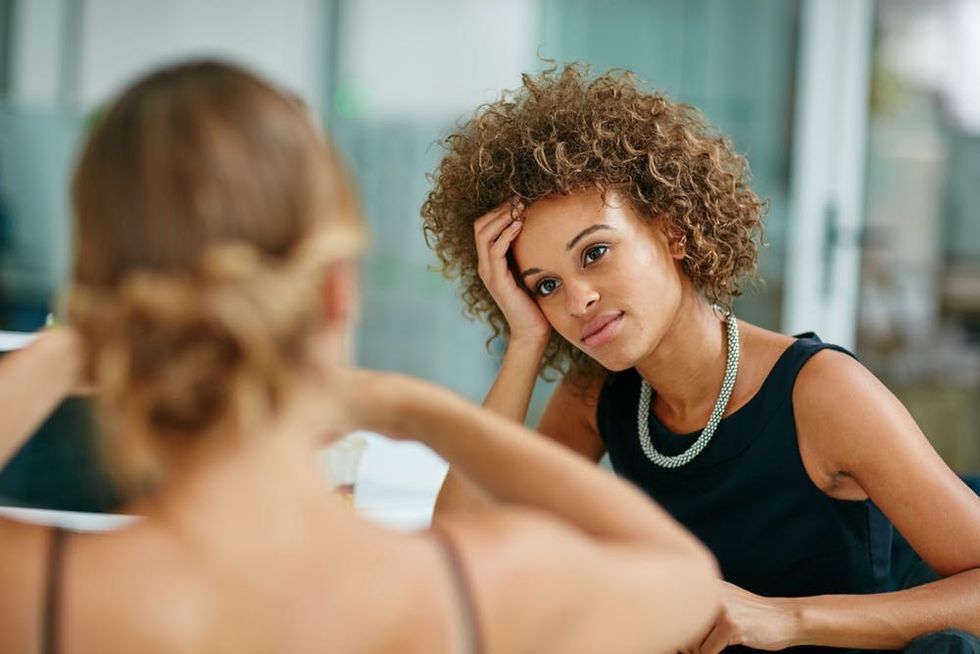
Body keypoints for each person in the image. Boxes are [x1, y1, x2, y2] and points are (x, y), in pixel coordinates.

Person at [0, 61, 720, 654]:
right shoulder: (458, 593)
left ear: (112, 314)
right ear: (336, 294)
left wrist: (69, 348)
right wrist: (413, 408)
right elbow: (682, 575)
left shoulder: (50, 595)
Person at [424, 64, 980, 652]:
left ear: (673, 231)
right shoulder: (599, 395)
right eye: (545, 285)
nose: (576, 300)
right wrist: (524, 342)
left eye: (595, 253)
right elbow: (461, 551)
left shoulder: (822, 393)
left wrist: (789, 619)